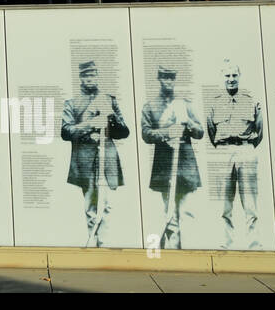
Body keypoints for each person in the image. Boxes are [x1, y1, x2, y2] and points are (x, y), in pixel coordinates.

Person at [61, 60, 129, 247]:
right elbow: (65, 132)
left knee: (106, 204)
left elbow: (124, 132)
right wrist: (90, 125)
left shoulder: (109, 100)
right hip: (85, 158)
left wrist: (112, 118)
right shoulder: (72, 103)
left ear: (98, 77)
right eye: (86, 75)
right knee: (91, 203)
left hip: (107, 158)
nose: (90, 79)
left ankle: (104, 244)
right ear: (81, 78)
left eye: (93, 75)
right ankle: (93, 242)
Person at [140, 64, 204, 249]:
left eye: (171, 78)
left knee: (187, 213)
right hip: (164, 164)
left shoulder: (185, 104)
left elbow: (200, 132)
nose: (168, 81)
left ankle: (190, 255)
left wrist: (188, 123)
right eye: (165, 78)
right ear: (159, 79)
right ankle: (174, 254)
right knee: (171, 216)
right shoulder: (150, 106)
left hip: (185, 164)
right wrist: (167, 133)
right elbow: (145, 134)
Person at [205, 59, 262, 249]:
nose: (231, 79)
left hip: (246, 150)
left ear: (240, 76)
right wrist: (223, 147)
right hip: (223, 151)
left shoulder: (251, 100)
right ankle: (225, 244)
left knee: (250, 201)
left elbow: (259, 130)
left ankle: (253, 245)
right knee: (224, 201)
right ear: (222, 77)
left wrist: (246, 145)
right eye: (227, 76)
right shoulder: (214, 103)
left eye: (234, 75)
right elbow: (211, 131)